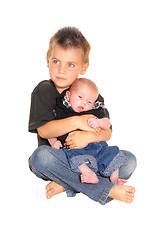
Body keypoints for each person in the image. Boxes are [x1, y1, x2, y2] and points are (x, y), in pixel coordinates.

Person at [28, 26, 136, 204]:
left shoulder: (89, 92)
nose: (62, 70)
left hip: (90, 157)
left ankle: (66, 184)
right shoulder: (44, 90)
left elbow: (107, 132)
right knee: (40, 158)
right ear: (47, 60)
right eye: (56, 62)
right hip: (59, 159)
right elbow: (44, 131)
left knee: (129, 160)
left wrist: (86, 138)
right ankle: (106, 189)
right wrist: (78, 121)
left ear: (83, 67)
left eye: (70, 64)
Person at [48, 77, 127, 185]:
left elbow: (107, 123)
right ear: (68, 95)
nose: (84, 103)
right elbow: (51, 129)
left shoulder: (95, 111)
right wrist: (53, 141)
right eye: (79, 97)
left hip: (97, 147)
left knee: (113, 154)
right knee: (72, 157)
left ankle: (114, 180)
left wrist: (99, 122)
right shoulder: (62, 110)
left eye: (89, 101)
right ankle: (89, 174)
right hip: (74, 149)